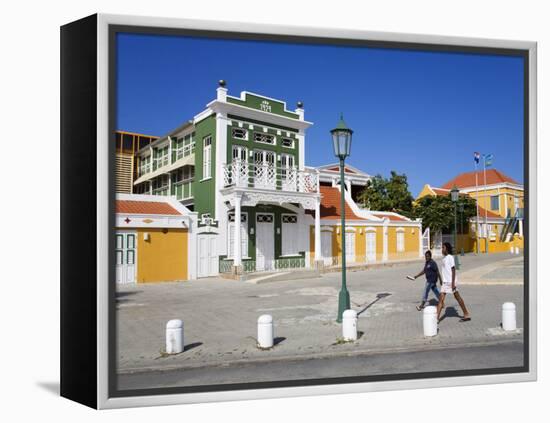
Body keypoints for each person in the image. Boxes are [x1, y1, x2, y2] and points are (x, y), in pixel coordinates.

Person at [436, 242, 471, 322]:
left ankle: (466, 314)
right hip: (445, 283)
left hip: (451, 283)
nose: (442, 249)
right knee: (441, 299)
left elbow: (453, 270)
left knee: (457, 297)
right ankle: (436, 318)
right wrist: (442, 281)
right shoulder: (444, 259)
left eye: (443, 248)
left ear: (447, 249)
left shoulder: (450, 257)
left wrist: (453, 283)